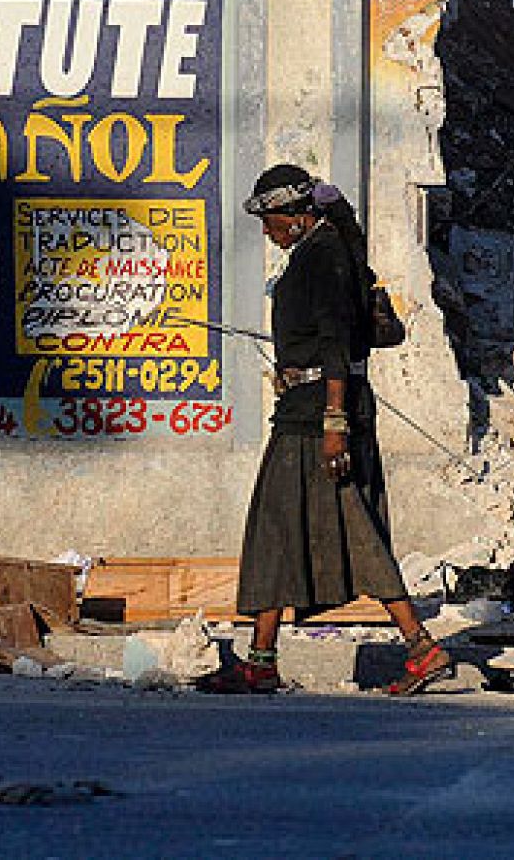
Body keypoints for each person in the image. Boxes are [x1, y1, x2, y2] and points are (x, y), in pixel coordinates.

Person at [197, 163, 454, 696]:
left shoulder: (326, 256)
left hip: (319, 417)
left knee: (353, 530)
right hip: (307, 410)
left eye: (269, 219)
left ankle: (421, 647)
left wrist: (335, 424)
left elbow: (336, 343)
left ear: (295, 215)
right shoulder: (321, 253)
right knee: (278, 530)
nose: (266, 230)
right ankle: (261, 660)